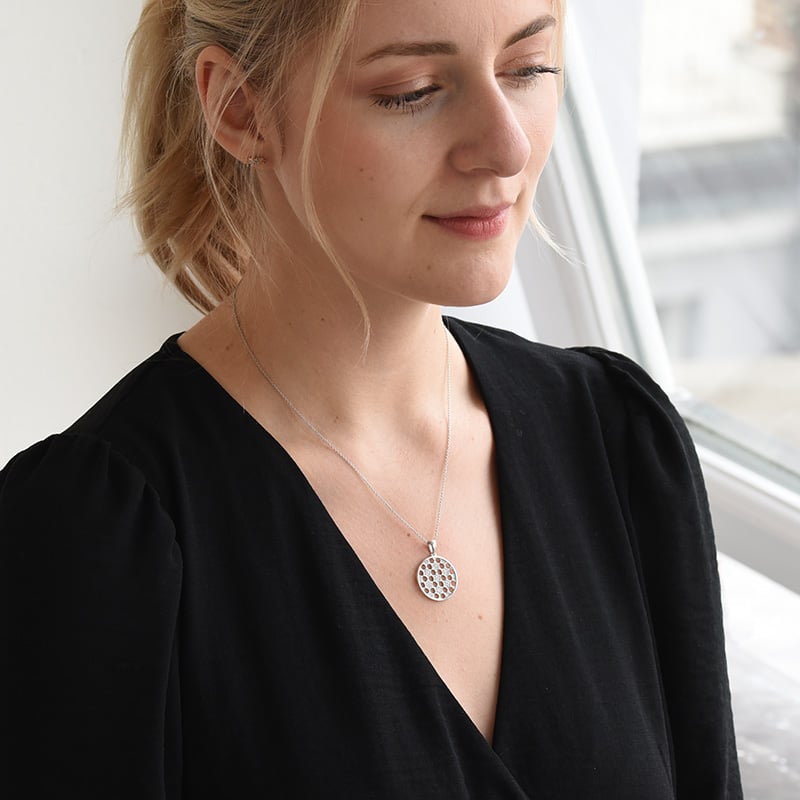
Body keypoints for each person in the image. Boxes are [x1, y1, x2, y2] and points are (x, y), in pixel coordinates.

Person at [0, 0, 743, 797]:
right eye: (412, 91)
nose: (507, 146)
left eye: (528, 69)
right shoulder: (95, 533)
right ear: (241, 108)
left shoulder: (618, 441)